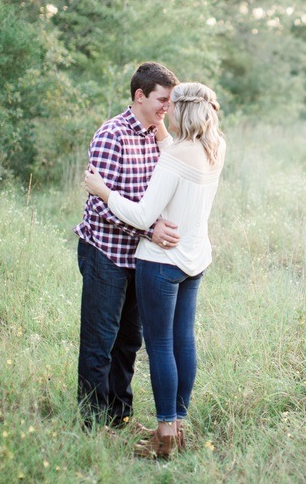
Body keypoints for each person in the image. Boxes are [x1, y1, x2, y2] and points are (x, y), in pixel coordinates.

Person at [84, 82, 226, 458]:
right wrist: (166, 135)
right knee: (184, 341)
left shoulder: (175, 154)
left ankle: (164, 434)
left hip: (162, 263)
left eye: (170, 106)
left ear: (180, 110)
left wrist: (103, 192)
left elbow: (144, 215)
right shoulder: (215, 147)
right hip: (195, 261)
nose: (166, 112)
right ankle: (177, 425)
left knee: (160, 345)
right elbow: (177, 155)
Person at [74, 61, 181, 431]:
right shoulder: (111, 134)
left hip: (138, 259)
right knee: (99, 341)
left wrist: (160, 119)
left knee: (128, 342)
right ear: (139, 96)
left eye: (170, 101)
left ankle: (119, 415)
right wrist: (150, 231)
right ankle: (90, 423)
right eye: (162, 100)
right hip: (105, 252)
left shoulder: (154, 134)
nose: (167, 107)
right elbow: (100, 204)